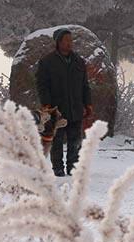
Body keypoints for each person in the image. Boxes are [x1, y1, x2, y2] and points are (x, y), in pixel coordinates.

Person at [36, 28, 93, 176]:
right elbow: (42, 85)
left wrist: (88, 104)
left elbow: (85, 86)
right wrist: (47, 105)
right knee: (57, 141)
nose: (69, 43)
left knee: (76, 141)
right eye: (66, 40)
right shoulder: (47, 62)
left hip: (75, 107)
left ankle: (73, 167)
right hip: (56, 109)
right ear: (58, 42)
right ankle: (58, 168)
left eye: (71, 40)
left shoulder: (79, 62)